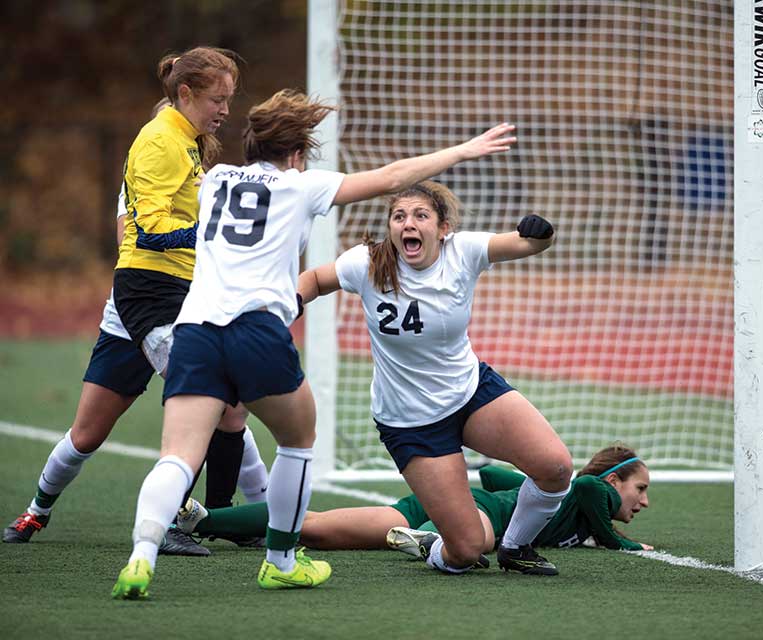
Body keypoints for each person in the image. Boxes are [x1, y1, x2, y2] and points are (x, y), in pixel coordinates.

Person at [110, 88, 518, 599]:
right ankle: (280, 560)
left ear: (250, 142)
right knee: (298, 442)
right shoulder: (301, 186)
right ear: (298, 153)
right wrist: (462, 150)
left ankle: (140, 557)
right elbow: (392, 179)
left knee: (176, 456)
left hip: (192, 329)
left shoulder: (213, 179)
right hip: (255, 328)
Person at [3, 82, 268, 555]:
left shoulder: (198, 172)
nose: (216, 117)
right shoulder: (151, 165)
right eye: (211, 104)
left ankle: (236, 516)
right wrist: (202, 236)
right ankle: (37, 512)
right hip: (136, 312)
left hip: (184, 303)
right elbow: (139, 234)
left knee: (225, 403)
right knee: (88, 433)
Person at [297, 180, 573, 577]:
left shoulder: (463, 251)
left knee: (556, 468)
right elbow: (316, 279)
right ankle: (433, 546)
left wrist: (539, 232)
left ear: (443, 228)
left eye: (420, 215)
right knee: (465, 551)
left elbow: (527, 244)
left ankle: (515, 546)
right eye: (399, 216)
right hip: (412, 422)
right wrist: (289, 303)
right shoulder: (368, 261)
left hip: (471, 392)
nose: (408, 224)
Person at [174, 444, 652, 559]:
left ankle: (203, 518)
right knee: (477, 542)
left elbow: (490, 471)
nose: (644, 501)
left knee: (314, 526)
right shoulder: (584, 490)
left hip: (440, 504)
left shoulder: (567, 504)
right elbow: (590, 492)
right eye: (639, 489)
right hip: (470, 513)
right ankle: (435, 545)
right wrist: (626, 544)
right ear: (613, 482)